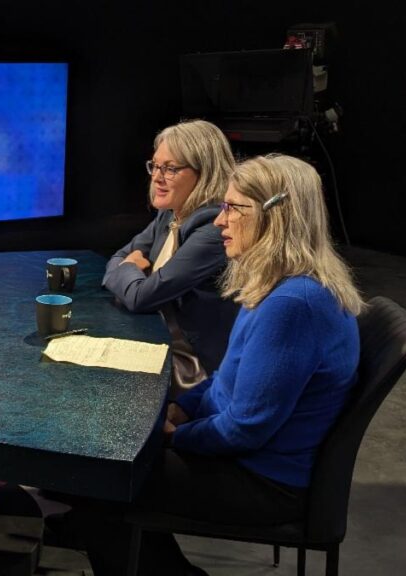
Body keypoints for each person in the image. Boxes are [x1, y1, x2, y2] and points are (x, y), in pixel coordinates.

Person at [70, 154, 364, 575]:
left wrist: (177, 436)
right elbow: (228, 375)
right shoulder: (274, 282)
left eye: (233, 209)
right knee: (101, 467)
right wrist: (184, 407)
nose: (220, 222)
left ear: (274, 217)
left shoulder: (293, 304)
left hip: (263, 480)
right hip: (245, 458)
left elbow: (245, 428)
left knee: (94, 475)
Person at [102, 119, 240, 394]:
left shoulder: (214, 228)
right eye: (155, 166)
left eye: (171, 169)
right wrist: (129, 269)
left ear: (205, 173)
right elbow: (115, 260)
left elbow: (142, 297)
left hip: (194, 367)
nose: (157, 177)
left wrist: (129, 269)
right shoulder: (170, 214)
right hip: (160, 339)